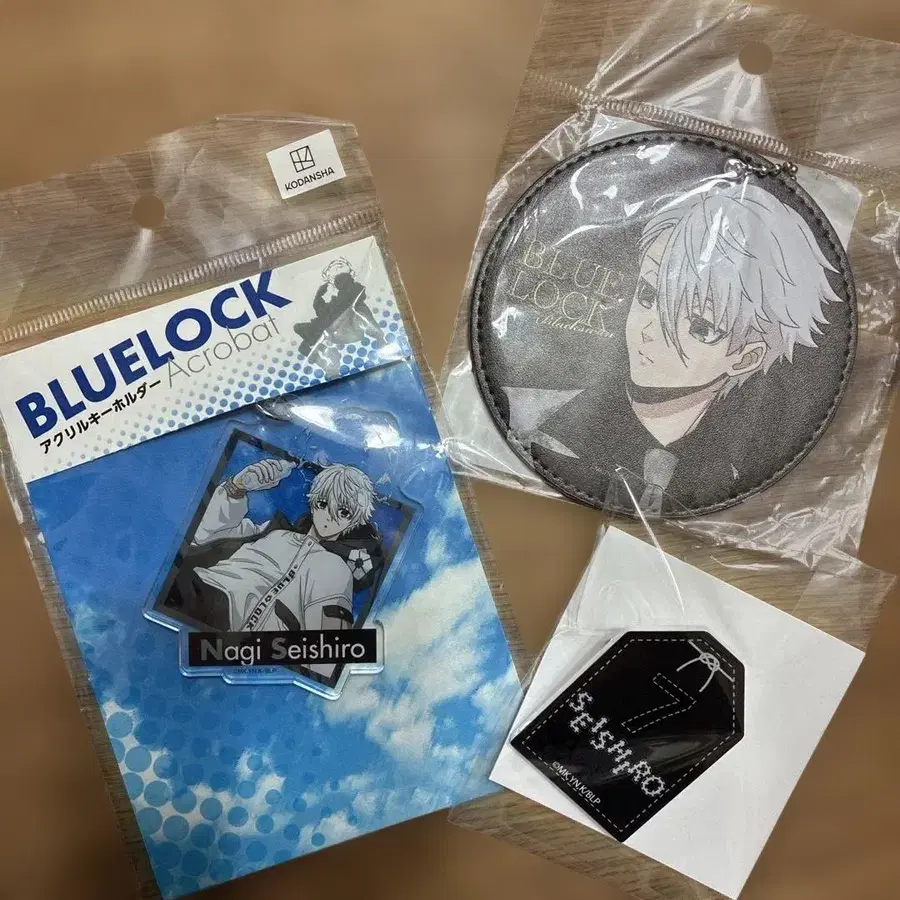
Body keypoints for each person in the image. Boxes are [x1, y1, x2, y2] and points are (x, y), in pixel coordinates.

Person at [508, 181, 844, 515]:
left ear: (746, 358)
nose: (650, 330)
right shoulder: (531, 419)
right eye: (648, 295)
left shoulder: (740, 480)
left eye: (701, 327)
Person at [175, 459, 378, 632]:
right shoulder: (272, 531)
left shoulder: (336, 569)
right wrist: (236, 487)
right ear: (313, 502)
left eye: (344, 512)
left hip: (233, 634)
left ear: (355, 520)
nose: (328, 516)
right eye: (323, 504)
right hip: (196, 589)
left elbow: (328, 645)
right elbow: (202, 535)